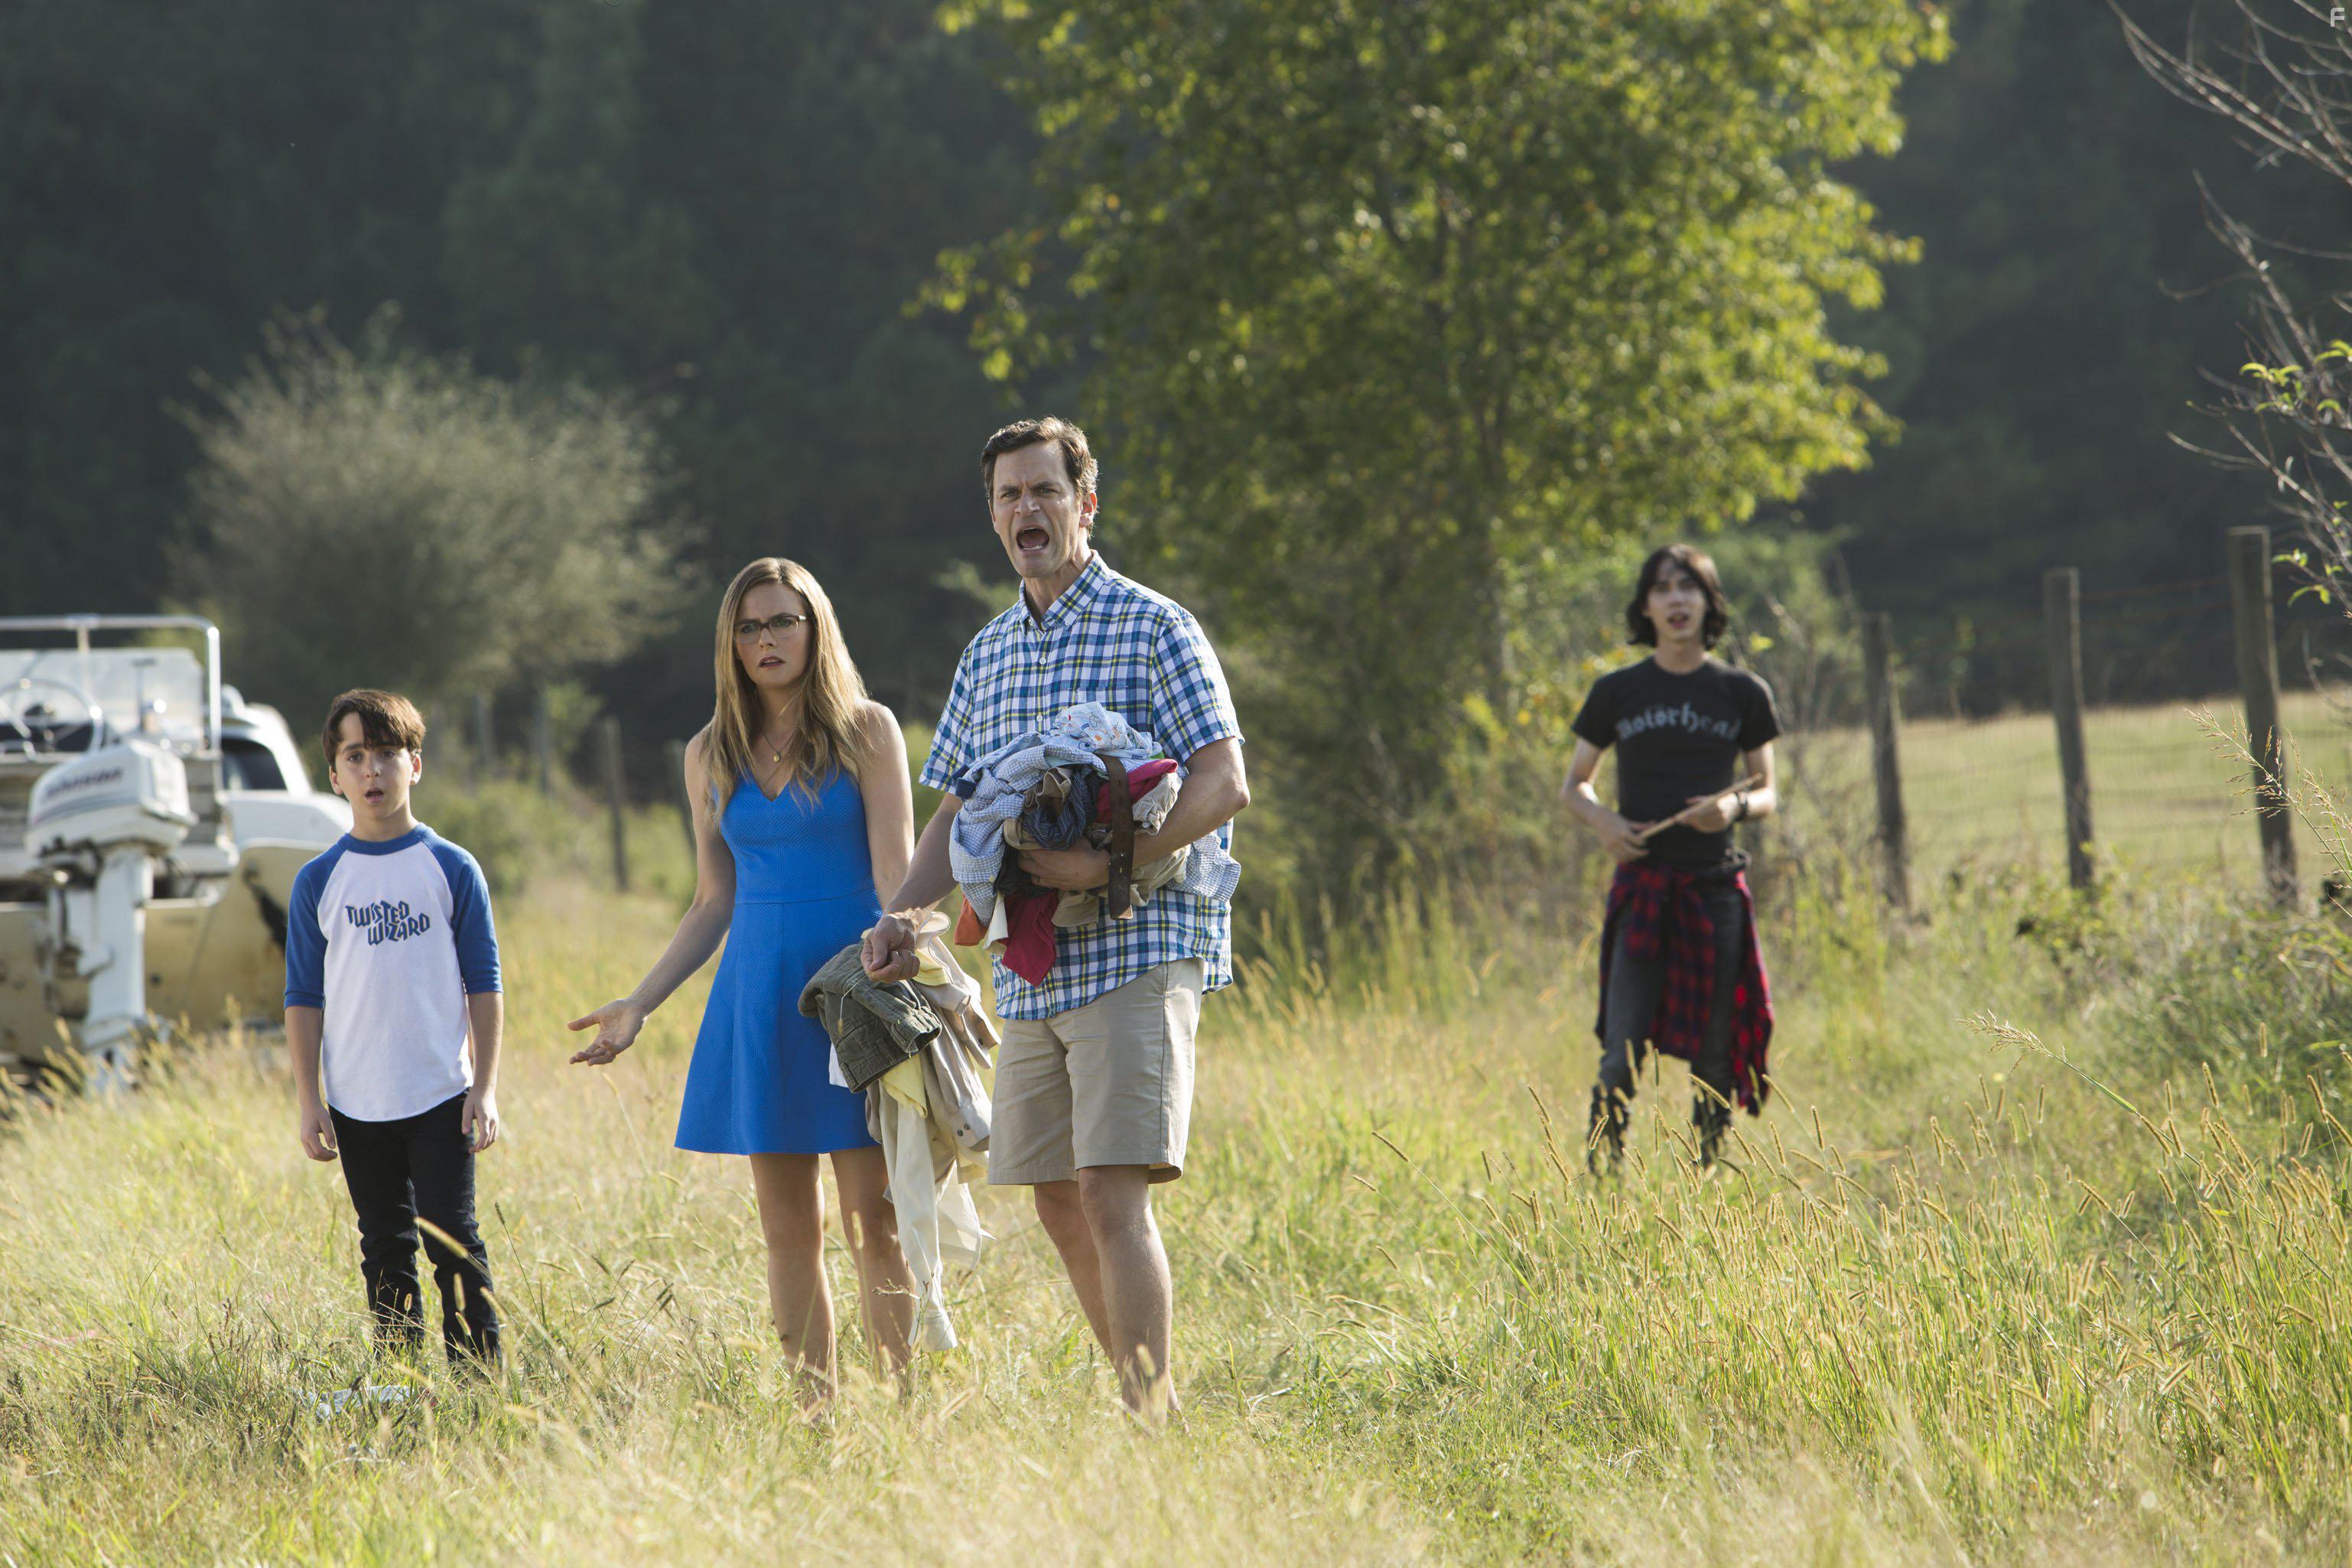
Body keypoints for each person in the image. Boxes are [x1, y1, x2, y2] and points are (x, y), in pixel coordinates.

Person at [861, 416, 1250, 1419]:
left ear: (1085, 503)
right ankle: (1146, 1399)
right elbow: (954, 806)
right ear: (990, 518)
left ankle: (1149, 1422)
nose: (1025, 510)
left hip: (1140, 939)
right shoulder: (987, 652)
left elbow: (1222, 782)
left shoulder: (1154, 624)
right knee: (1051, 1192)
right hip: (1031, 960)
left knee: (1111, 1187)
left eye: (1044, 490)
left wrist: (1110, 856)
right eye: (1007, 496)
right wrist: (903, 918)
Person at [567, 558, 918, 1403]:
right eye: (751, 626)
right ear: (730, 640)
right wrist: (640, 1003)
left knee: (879, 1220)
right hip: (758, 1001)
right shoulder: (707, 752)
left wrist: (900, 950)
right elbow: (712, 899)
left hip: (852, 995)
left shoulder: (869, 730)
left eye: (784, 622)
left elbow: (899, 876)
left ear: (815, 627)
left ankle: (910, 1418)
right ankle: (815, 1422)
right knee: (788, 1228)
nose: (767, 640)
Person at [286, 688, 504, 1367]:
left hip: (441, 1092)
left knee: (453, 1240)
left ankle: (480, 1388)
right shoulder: (318, 881)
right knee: (384, 1243)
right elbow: (303, 997)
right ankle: (402, 1389)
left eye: (386, 754)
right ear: (335, 775)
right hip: (356, 1100)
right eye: (356, 756)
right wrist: (307, 1097)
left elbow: (485, 985)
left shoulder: (451, 867)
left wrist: (486, 1088)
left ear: (416, 765)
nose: (372, 771)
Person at [1560, 544, 1780, 1169]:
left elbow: (1766, 790)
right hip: (1643, 892)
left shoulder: (1742, 692)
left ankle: (1703, 1182)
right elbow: (1573, 784)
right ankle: (1603, 1181)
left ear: (1709, 603)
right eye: (1662, 588)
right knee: (1620, 1051)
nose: (1676, 599)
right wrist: (1603, 820)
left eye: (1689, 588)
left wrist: (1732, 811)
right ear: (1646, 606)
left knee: (1714, 1055)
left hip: (1714, 893)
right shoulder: (1617, 692)